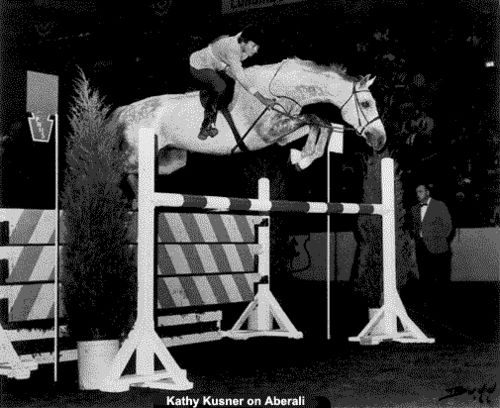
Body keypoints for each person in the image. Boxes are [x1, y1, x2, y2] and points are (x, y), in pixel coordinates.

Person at [189, 25, 275, 140]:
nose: (255, 51)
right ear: (244, 42)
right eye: (253, 46)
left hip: (219, 64)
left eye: (257, 47)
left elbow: (237, 74)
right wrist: (262, 99)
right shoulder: (233, 49)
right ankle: (206, 126)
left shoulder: (243, 42)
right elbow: (241, 77)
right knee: (220, 86)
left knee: (236, 82)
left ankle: (221, 107)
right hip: (199, 66)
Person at [410, 183, 453, 309]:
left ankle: (444, 304)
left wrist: (439, 240)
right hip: (421, 247)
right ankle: (426, 303)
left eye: (420, 192)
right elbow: (415, 228)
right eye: (416, 192)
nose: (417, 195)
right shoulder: (414, 209)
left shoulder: (439, 205)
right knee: (424, 276)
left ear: (427, 192)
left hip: (439, 247)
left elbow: (448, 226)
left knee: (442, 277)